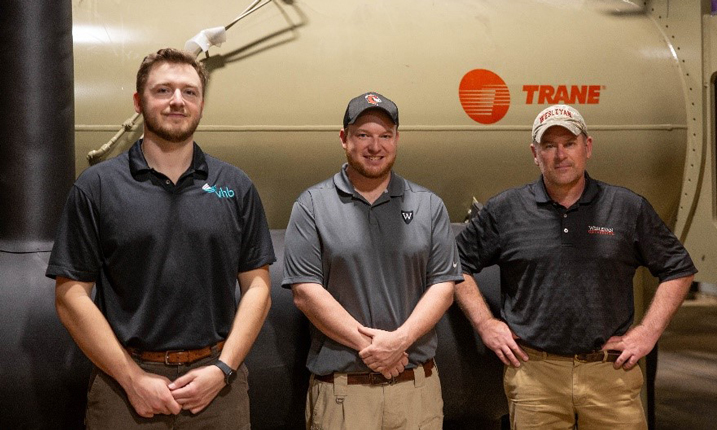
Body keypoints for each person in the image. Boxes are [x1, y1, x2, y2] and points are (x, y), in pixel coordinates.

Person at [46, 48, 275, 429]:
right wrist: (132, 379)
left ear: (201, 103)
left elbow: (258, 289)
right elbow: (71, 296)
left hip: (217, 390)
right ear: (138, 102)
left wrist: (222, 368)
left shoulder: (234, 186)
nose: (177, 101)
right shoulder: (97, 187)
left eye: (189, 92)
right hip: (124, 387)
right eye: (163, 90)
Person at [455, 104, 697, 429]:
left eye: (569, 144)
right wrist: (485, 324)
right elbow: (453, 263)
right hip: (535, 377)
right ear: (534, 153)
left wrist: (648, 332)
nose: (560, 155)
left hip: (611, 375)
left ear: (588, 147)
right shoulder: (506, 210)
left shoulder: (626, 208)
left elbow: (678, 268)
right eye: (548, 145)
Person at [282, 92, 463, 430]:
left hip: (416, 390)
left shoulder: (429, 205)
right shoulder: (312, 205)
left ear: (397, 139)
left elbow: (443, 286)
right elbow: (305, 293)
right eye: (363, 135)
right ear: (344, 138)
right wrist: (375, 348)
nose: (375, 146)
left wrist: (399, 341)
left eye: (385, 135)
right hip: (344, 394)